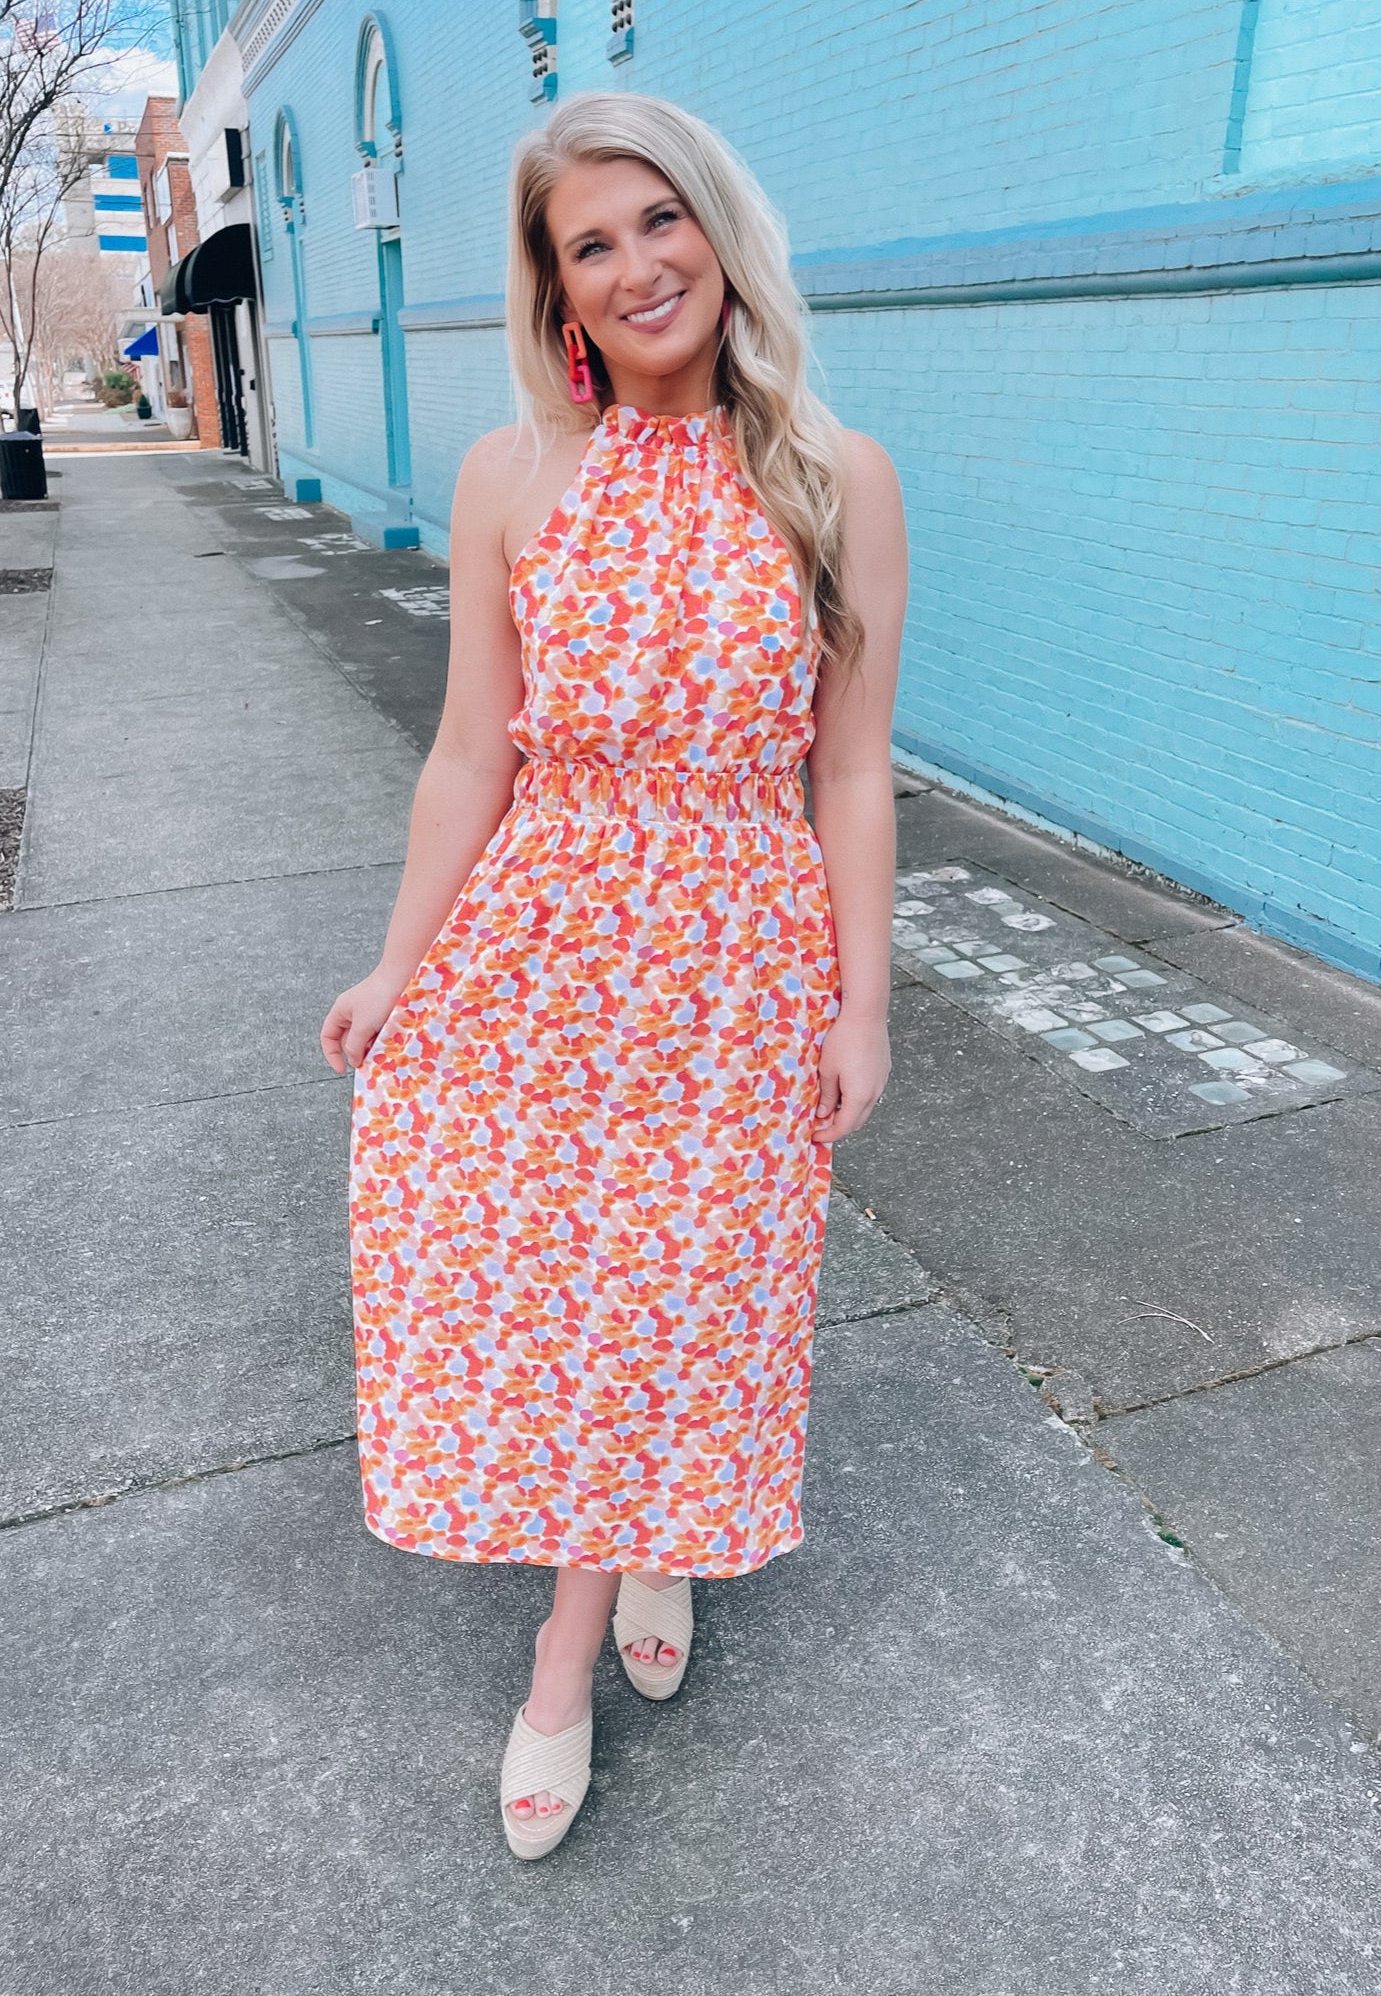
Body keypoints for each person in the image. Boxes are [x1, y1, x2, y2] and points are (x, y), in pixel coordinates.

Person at [321, 89, 907, 1860]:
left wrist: (864, 1004)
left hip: (735, 961)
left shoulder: (835, 475)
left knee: (688, 1293)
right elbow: (468, 754)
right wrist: (399, 961)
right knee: (542, 1278)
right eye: (592, 244)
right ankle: (613, 1581)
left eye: (661, 219)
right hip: (547, 946)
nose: (638, 266)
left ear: (719, 231)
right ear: (556, 288)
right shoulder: (508, 477)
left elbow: (851, 770)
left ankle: (584, 1630)